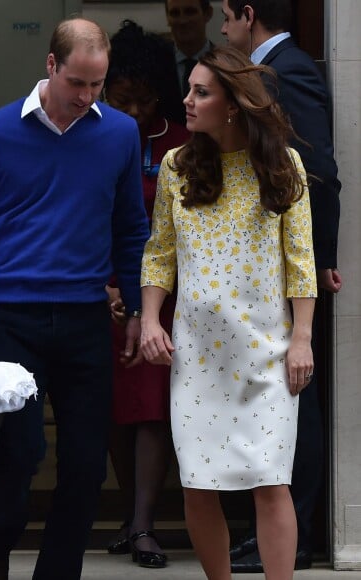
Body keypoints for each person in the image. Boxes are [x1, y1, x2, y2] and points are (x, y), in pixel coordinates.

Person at [0, 17, 149, 580]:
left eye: (98, 85)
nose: (87, 97)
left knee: (88, 464)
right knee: (19, 452)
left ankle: (58, 571)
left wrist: (139, 309)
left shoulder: (118, 134)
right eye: (77, 83)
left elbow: (131, 230)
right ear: (50, 66)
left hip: (85, 315)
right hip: (12, 313)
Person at [140, 46, 317, 579]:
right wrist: (150, 319)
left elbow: (301, 261)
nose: (187, 101)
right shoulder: (177, 165)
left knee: (270, 480)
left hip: (268, 352)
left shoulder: (284, 164)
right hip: (196, 355)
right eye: (189, 89)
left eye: (202, 92)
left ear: (235, 105)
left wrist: (303, 338)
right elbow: (160, 251)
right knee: (198, 483)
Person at [220, 0, 342, 571]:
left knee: (297, 398)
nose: (223, 29)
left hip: (291, 270)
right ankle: (264, 533)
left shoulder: (290, 70)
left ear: (248, 14)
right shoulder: (265, 71)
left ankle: (297, 536)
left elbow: (318, 173)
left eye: (226, 16)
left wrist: (316, 264)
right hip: (256, 269)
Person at [103, 19, 189, 569]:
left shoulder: (181, 141)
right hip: (100, 289)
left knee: (153, 409)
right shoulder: (92, 133)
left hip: (164, 296)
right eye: (123, 98)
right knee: (113, 410)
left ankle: (143, 525)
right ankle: (127, 515)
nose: (135, 112)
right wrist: (107, 285)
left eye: (146, 99)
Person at [164, 0, 215, 125]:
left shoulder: (224, 65)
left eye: (190, 12)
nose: (182, 21)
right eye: (175, 13)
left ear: (208, 14)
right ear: (167, 18)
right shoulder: (157, 63)